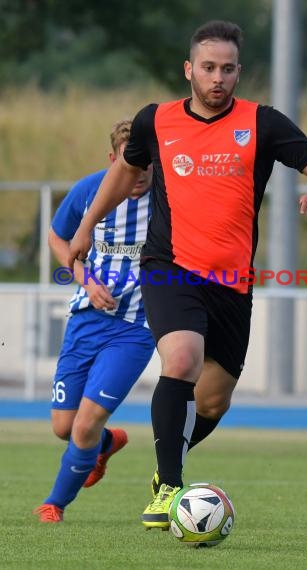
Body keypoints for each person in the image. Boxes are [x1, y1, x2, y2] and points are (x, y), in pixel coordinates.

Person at [68, 20, 307, 530]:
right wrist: (87, 225)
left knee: (213, 400)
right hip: (169, 267)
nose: (218, 78)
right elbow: (125, 172)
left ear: (239, 71)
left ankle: (165, 464)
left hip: (232, 283)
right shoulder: (156, 121)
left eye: (228, 69)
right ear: (189, 69)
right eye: (208, 67)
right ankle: (170, 488)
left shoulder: (263, 123)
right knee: (182, 357)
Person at [33, 119, 155, 523]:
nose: (138, 175)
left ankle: (55, 504)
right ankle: (104, 445)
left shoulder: (169, 201)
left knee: (83, 426)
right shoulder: (90, 190)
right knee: (63, 426)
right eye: (130, 165)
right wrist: (86, 279)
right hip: (85, 322)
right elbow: (57, 236)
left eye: (146, 166)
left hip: (135, 329)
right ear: (113, 159)